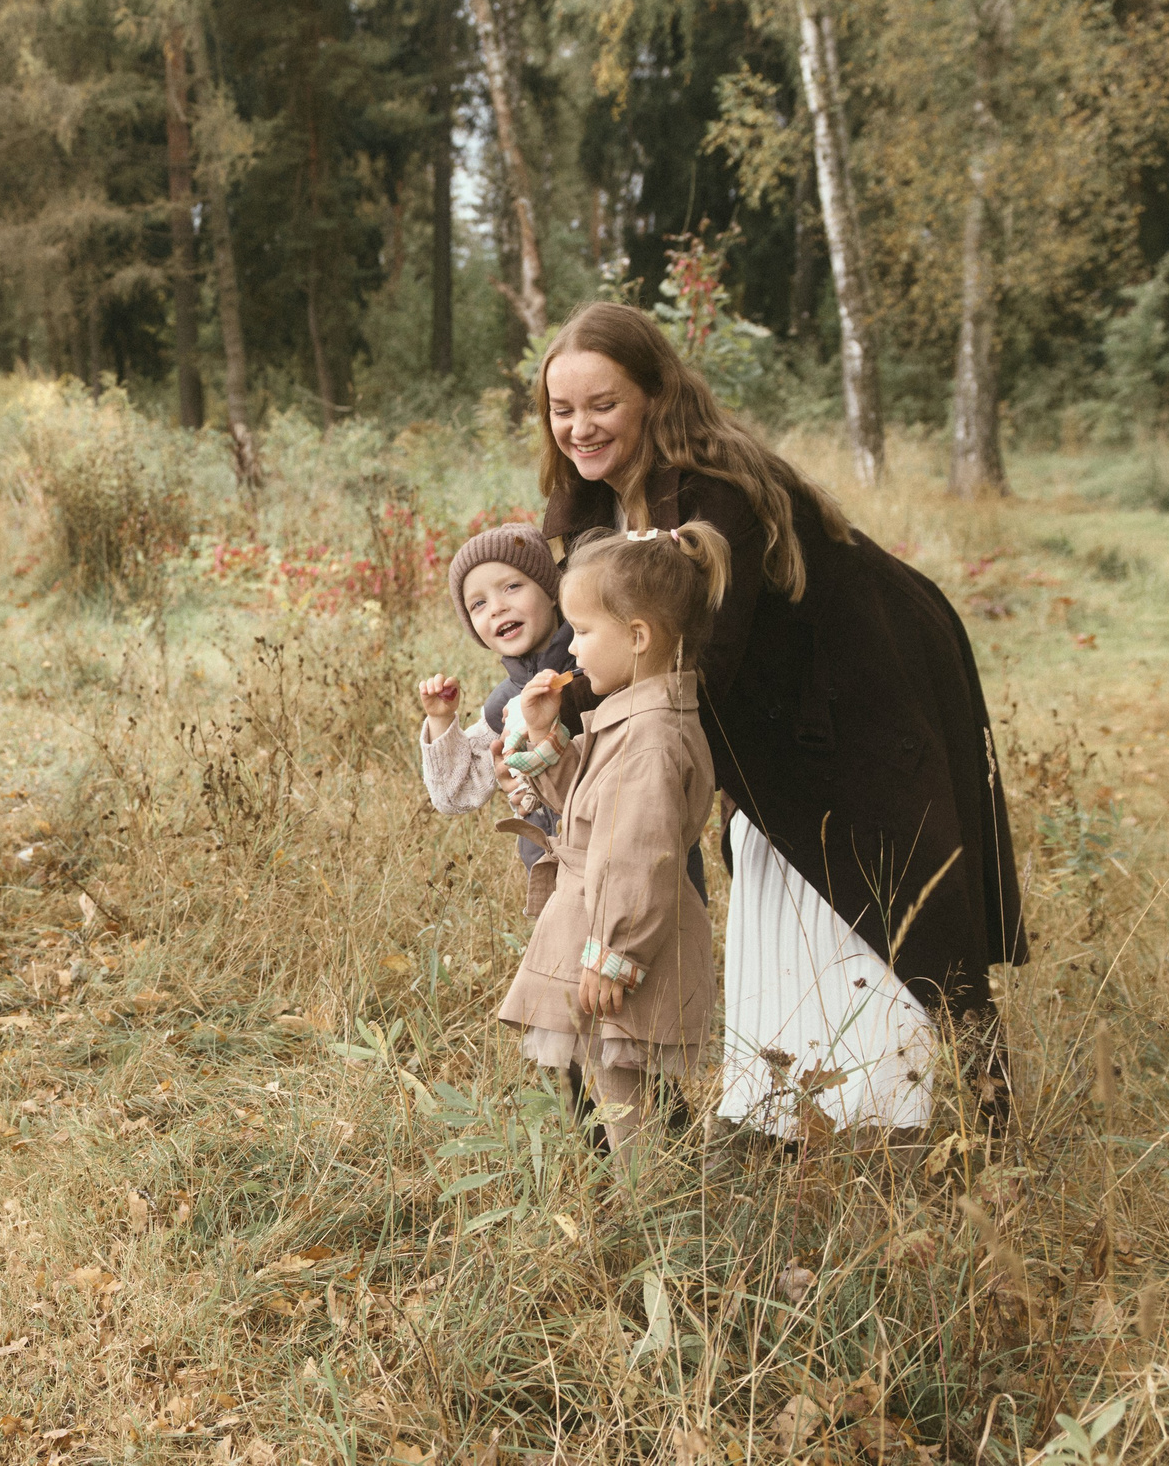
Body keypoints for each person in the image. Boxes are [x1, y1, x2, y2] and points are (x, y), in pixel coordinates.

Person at [530, 302, 1027, 1140]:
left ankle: (987, 1109)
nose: (580, 427)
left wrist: (578, 713)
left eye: (602, 404)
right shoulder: (585, 505)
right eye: (561, 408)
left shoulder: (715, 491)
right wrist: (546, 710)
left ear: (654, 394)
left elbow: (699, 661)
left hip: (866, 675)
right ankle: (795, 1112)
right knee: (782, 873)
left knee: (898, 882)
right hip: (771, 703)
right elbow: (598, 637)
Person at [495, 524, 731, 1162]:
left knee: (627, 1097)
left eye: (583, 633)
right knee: (615, 1082)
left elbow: (641, 857)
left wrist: (615, 955)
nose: (571, 652)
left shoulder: (650, 738)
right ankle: (640, 1202)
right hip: (603, 931)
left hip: (620, 939)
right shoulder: (631, 718)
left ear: (637, 637)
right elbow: (589, 814)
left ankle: (645, 1210)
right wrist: (546, 744)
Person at [415, 524, 574, 872]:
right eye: (479, 604)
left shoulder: (593, 669)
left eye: (513, 586)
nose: (497, 608)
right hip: (552, 876)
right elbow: (455, 795)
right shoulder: (505, 705)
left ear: (551, 591)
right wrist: (441, 721)